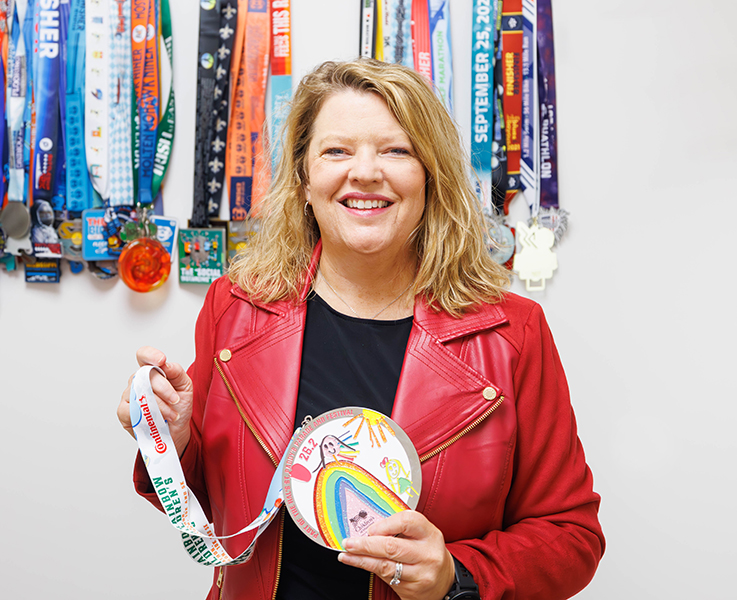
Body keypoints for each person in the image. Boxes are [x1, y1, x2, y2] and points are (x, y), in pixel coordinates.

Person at [117, 58, 604, 600]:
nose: (366, 172)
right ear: (304, 179)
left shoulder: (513, 333)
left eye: (396, 150)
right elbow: (214, 510)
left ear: (430, 178)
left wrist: (454, 574)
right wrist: (172, 439)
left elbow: (571, 536)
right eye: (336, 150)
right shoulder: (235, 307)